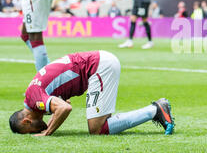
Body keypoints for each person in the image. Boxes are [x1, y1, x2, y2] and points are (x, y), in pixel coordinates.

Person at [9, 50, 175, 136]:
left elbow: (65, 109)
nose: (36, 131)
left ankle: (155, 110)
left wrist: (47, 132)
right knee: (102, 123)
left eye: (31, 131)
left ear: (26, 121)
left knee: (97, 128)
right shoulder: (33, 96)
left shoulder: (34, 99)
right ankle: (155, 110)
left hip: (98, 67)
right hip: (99, 64)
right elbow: (65, 104)